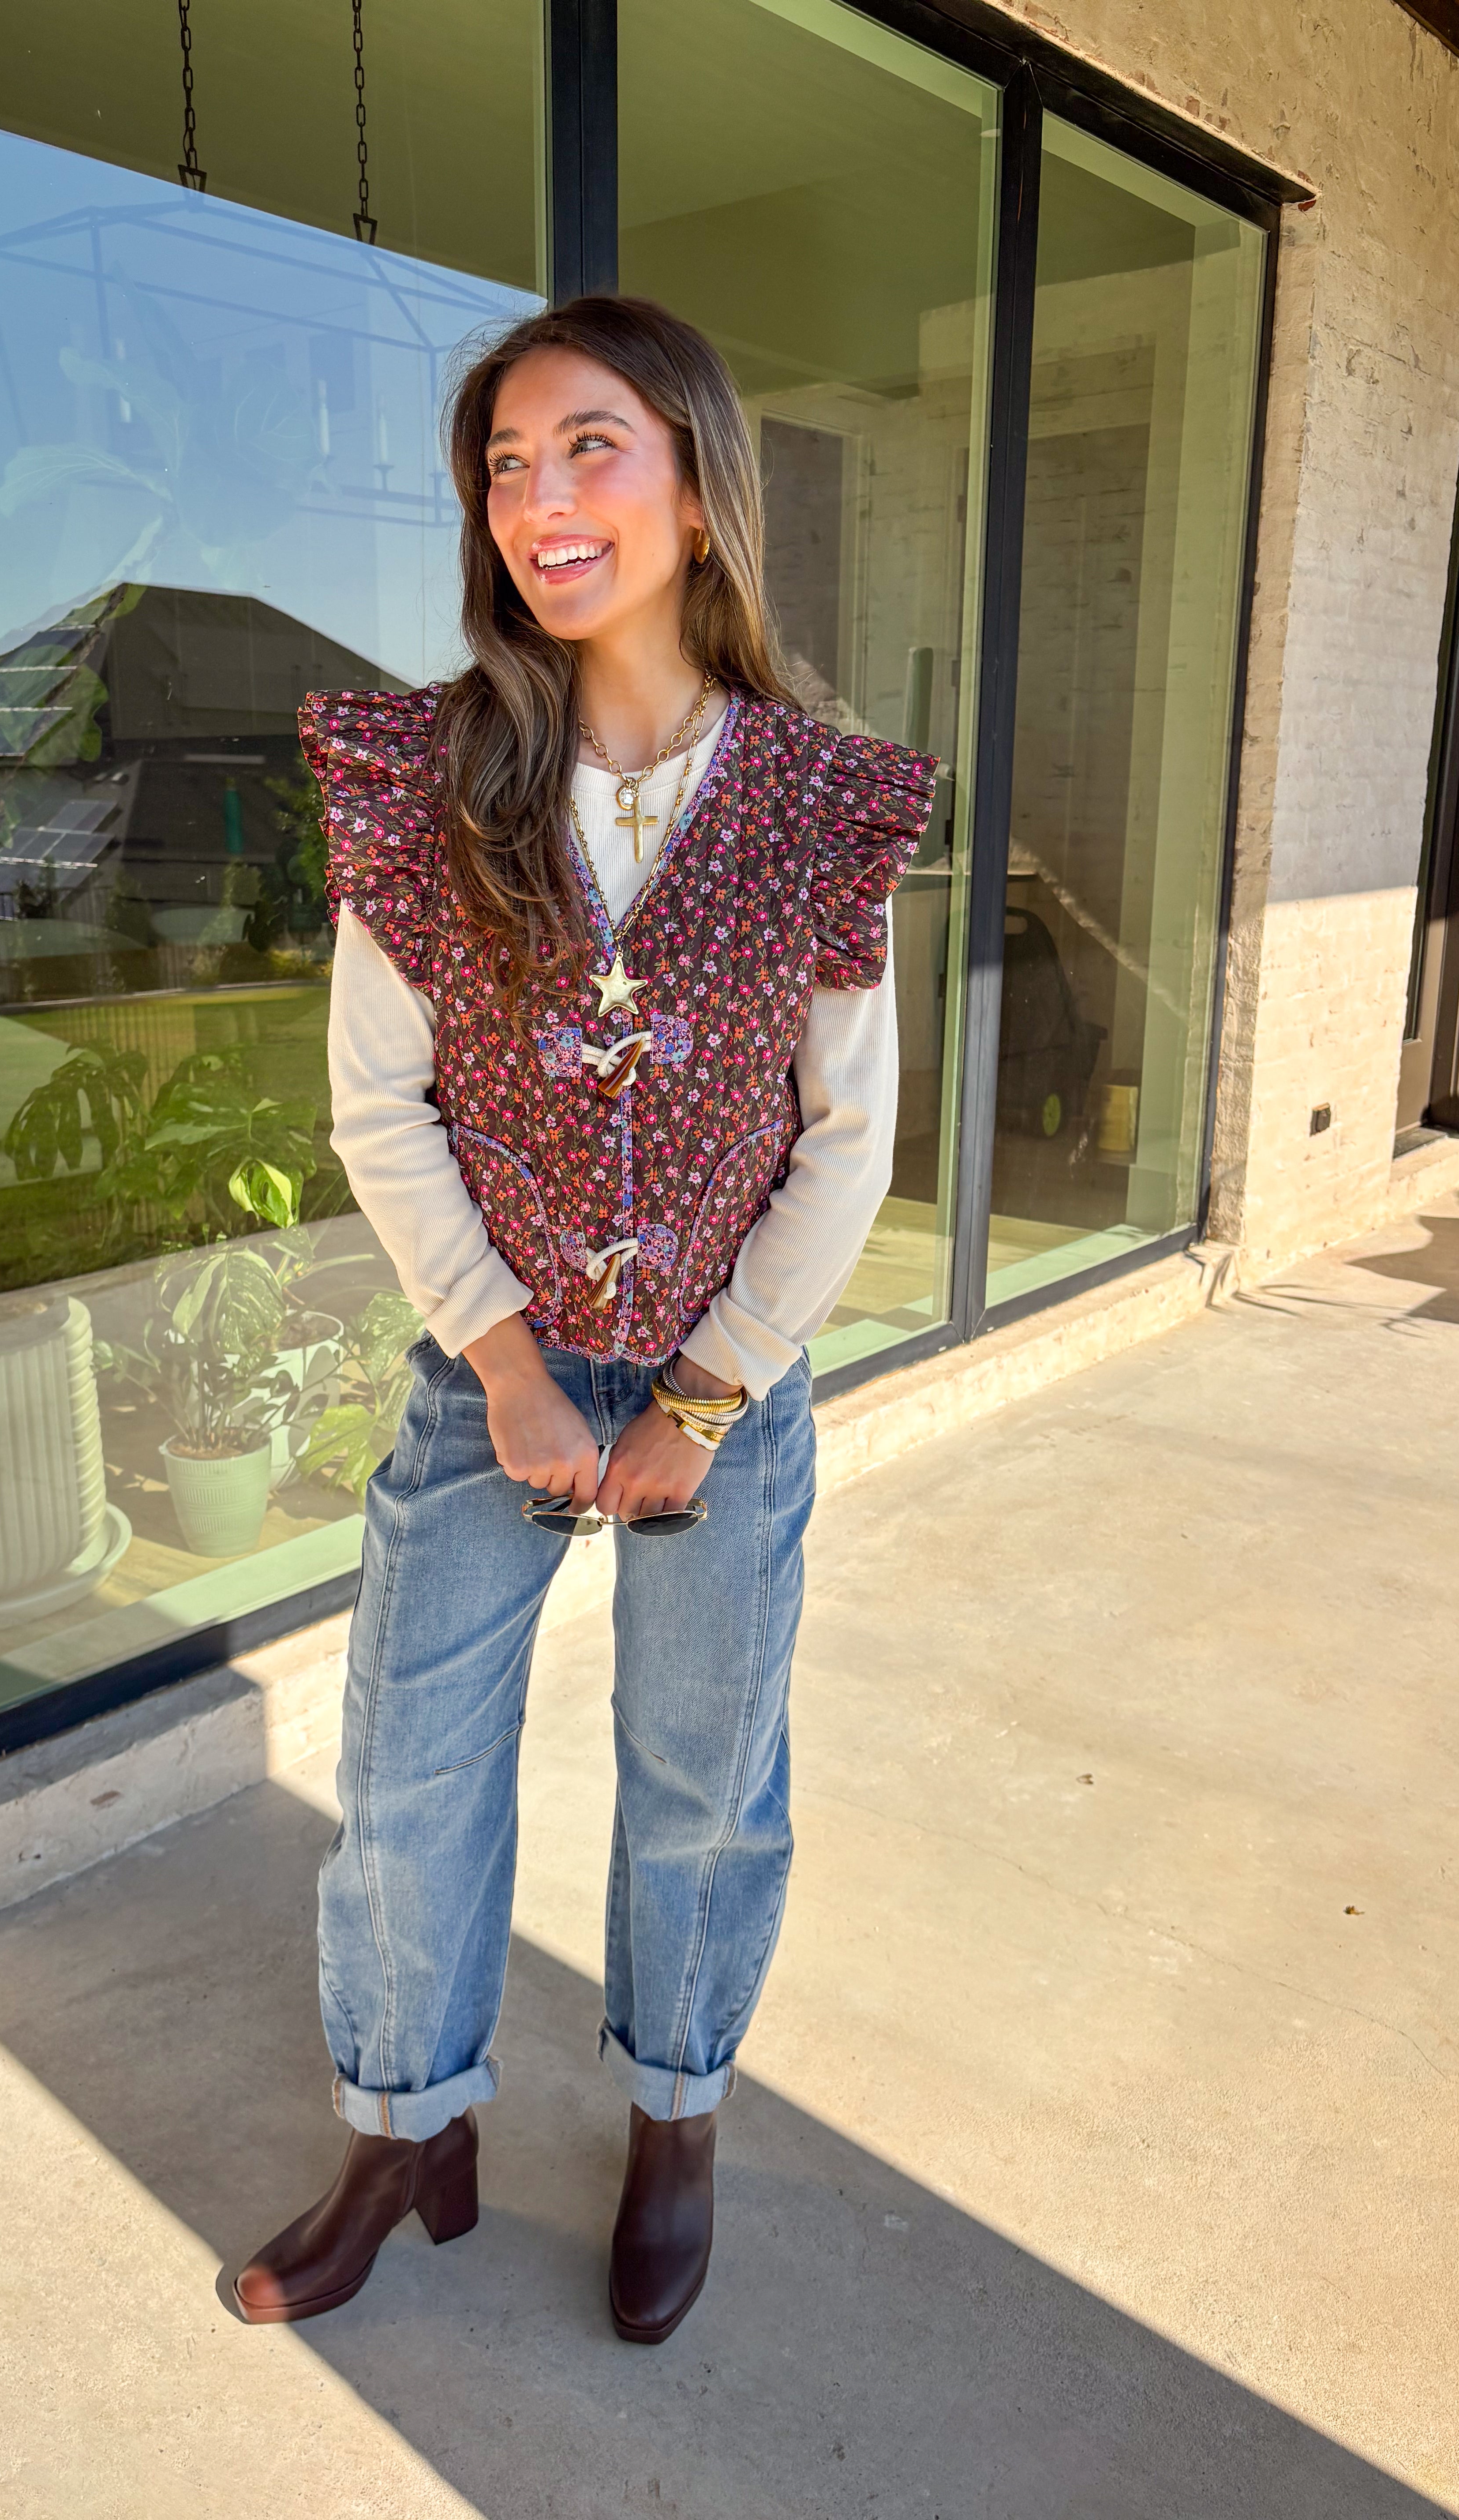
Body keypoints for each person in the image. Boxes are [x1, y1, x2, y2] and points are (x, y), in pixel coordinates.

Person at [234, 294, 935, 2344]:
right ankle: (403, 2135)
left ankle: (675, 2128)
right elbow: (378, 1100)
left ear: (700, 490)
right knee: (410, 1767)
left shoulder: (818, 801)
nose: (538, 496)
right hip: (495, 1384)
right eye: (506, 466)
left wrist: (705, 1395)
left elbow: (849, 1137)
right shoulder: (426, 777)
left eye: (589, 447)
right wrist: (510, 1365)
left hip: (731, 1390)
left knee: (705, 1782)